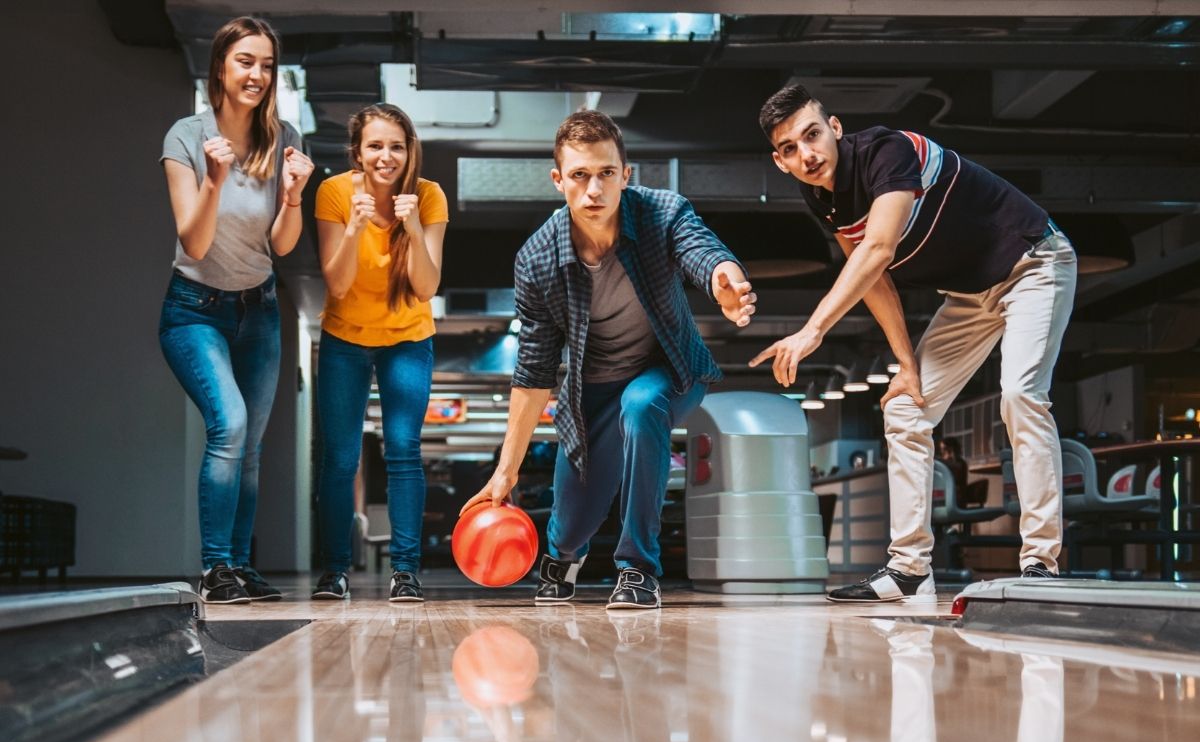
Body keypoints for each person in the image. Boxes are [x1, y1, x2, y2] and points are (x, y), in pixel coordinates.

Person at [752, 84, 1076, 603]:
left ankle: (1041, 563)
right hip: (971, 296)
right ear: (780, 160)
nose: (806, 154)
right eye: (790, 148)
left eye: (811, 135)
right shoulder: (819, 195)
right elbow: (876, 282)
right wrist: (905, 363)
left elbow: (878, 249)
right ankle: (908, 569)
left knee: (1020, 395)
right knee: (904, 406)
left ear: (834, 128)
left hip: (1033, 264)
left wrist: (814, 329)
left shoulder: (888, 150)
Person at [461, 110, 755, 610]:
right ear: (558, 181)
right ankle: (562, 556)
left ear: (626, 175)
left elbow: (700, 249)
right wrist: (505, 471)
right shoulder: (537, 259)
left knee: (641, 408)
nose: (593, 189)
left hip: (668, 371)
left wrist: (722, 278)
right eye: (579, 175)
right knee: (571, 523)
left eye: (605, 173)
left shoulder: (664, 212)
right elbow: (533, 371)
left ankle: (637, 570)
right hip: (591, 390)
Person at [159, 16, 313, 604]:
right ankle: (215, 568)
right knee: (230, 425)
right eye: (246, 61)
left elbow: (282, 245)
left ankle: (240, 568)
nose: (257, 74)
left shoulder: (285, 136)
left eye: (268, 64)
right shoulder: (186, 137)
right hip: (194, 311)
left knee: (249, 448)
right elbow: (193, 243)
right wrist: (215, 178)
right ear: (220, 65)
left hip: (262, 311)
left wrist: (294, 193)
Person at [312, 103, 448, 602]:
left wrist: (411, 228)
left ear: (410, 150)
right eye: (375, 145)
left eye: (396, 145)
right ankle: (334, 570)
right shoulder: (333, 193)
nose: (386, 156)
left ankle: (406, 571)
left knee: (404, 451)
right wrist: (353, 227)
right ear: (357, 152)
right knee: (340, 457)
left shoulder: (429, 196)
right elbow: (338, 282)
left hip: (407, 338)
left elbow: (426, 287)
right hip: (345, 337)